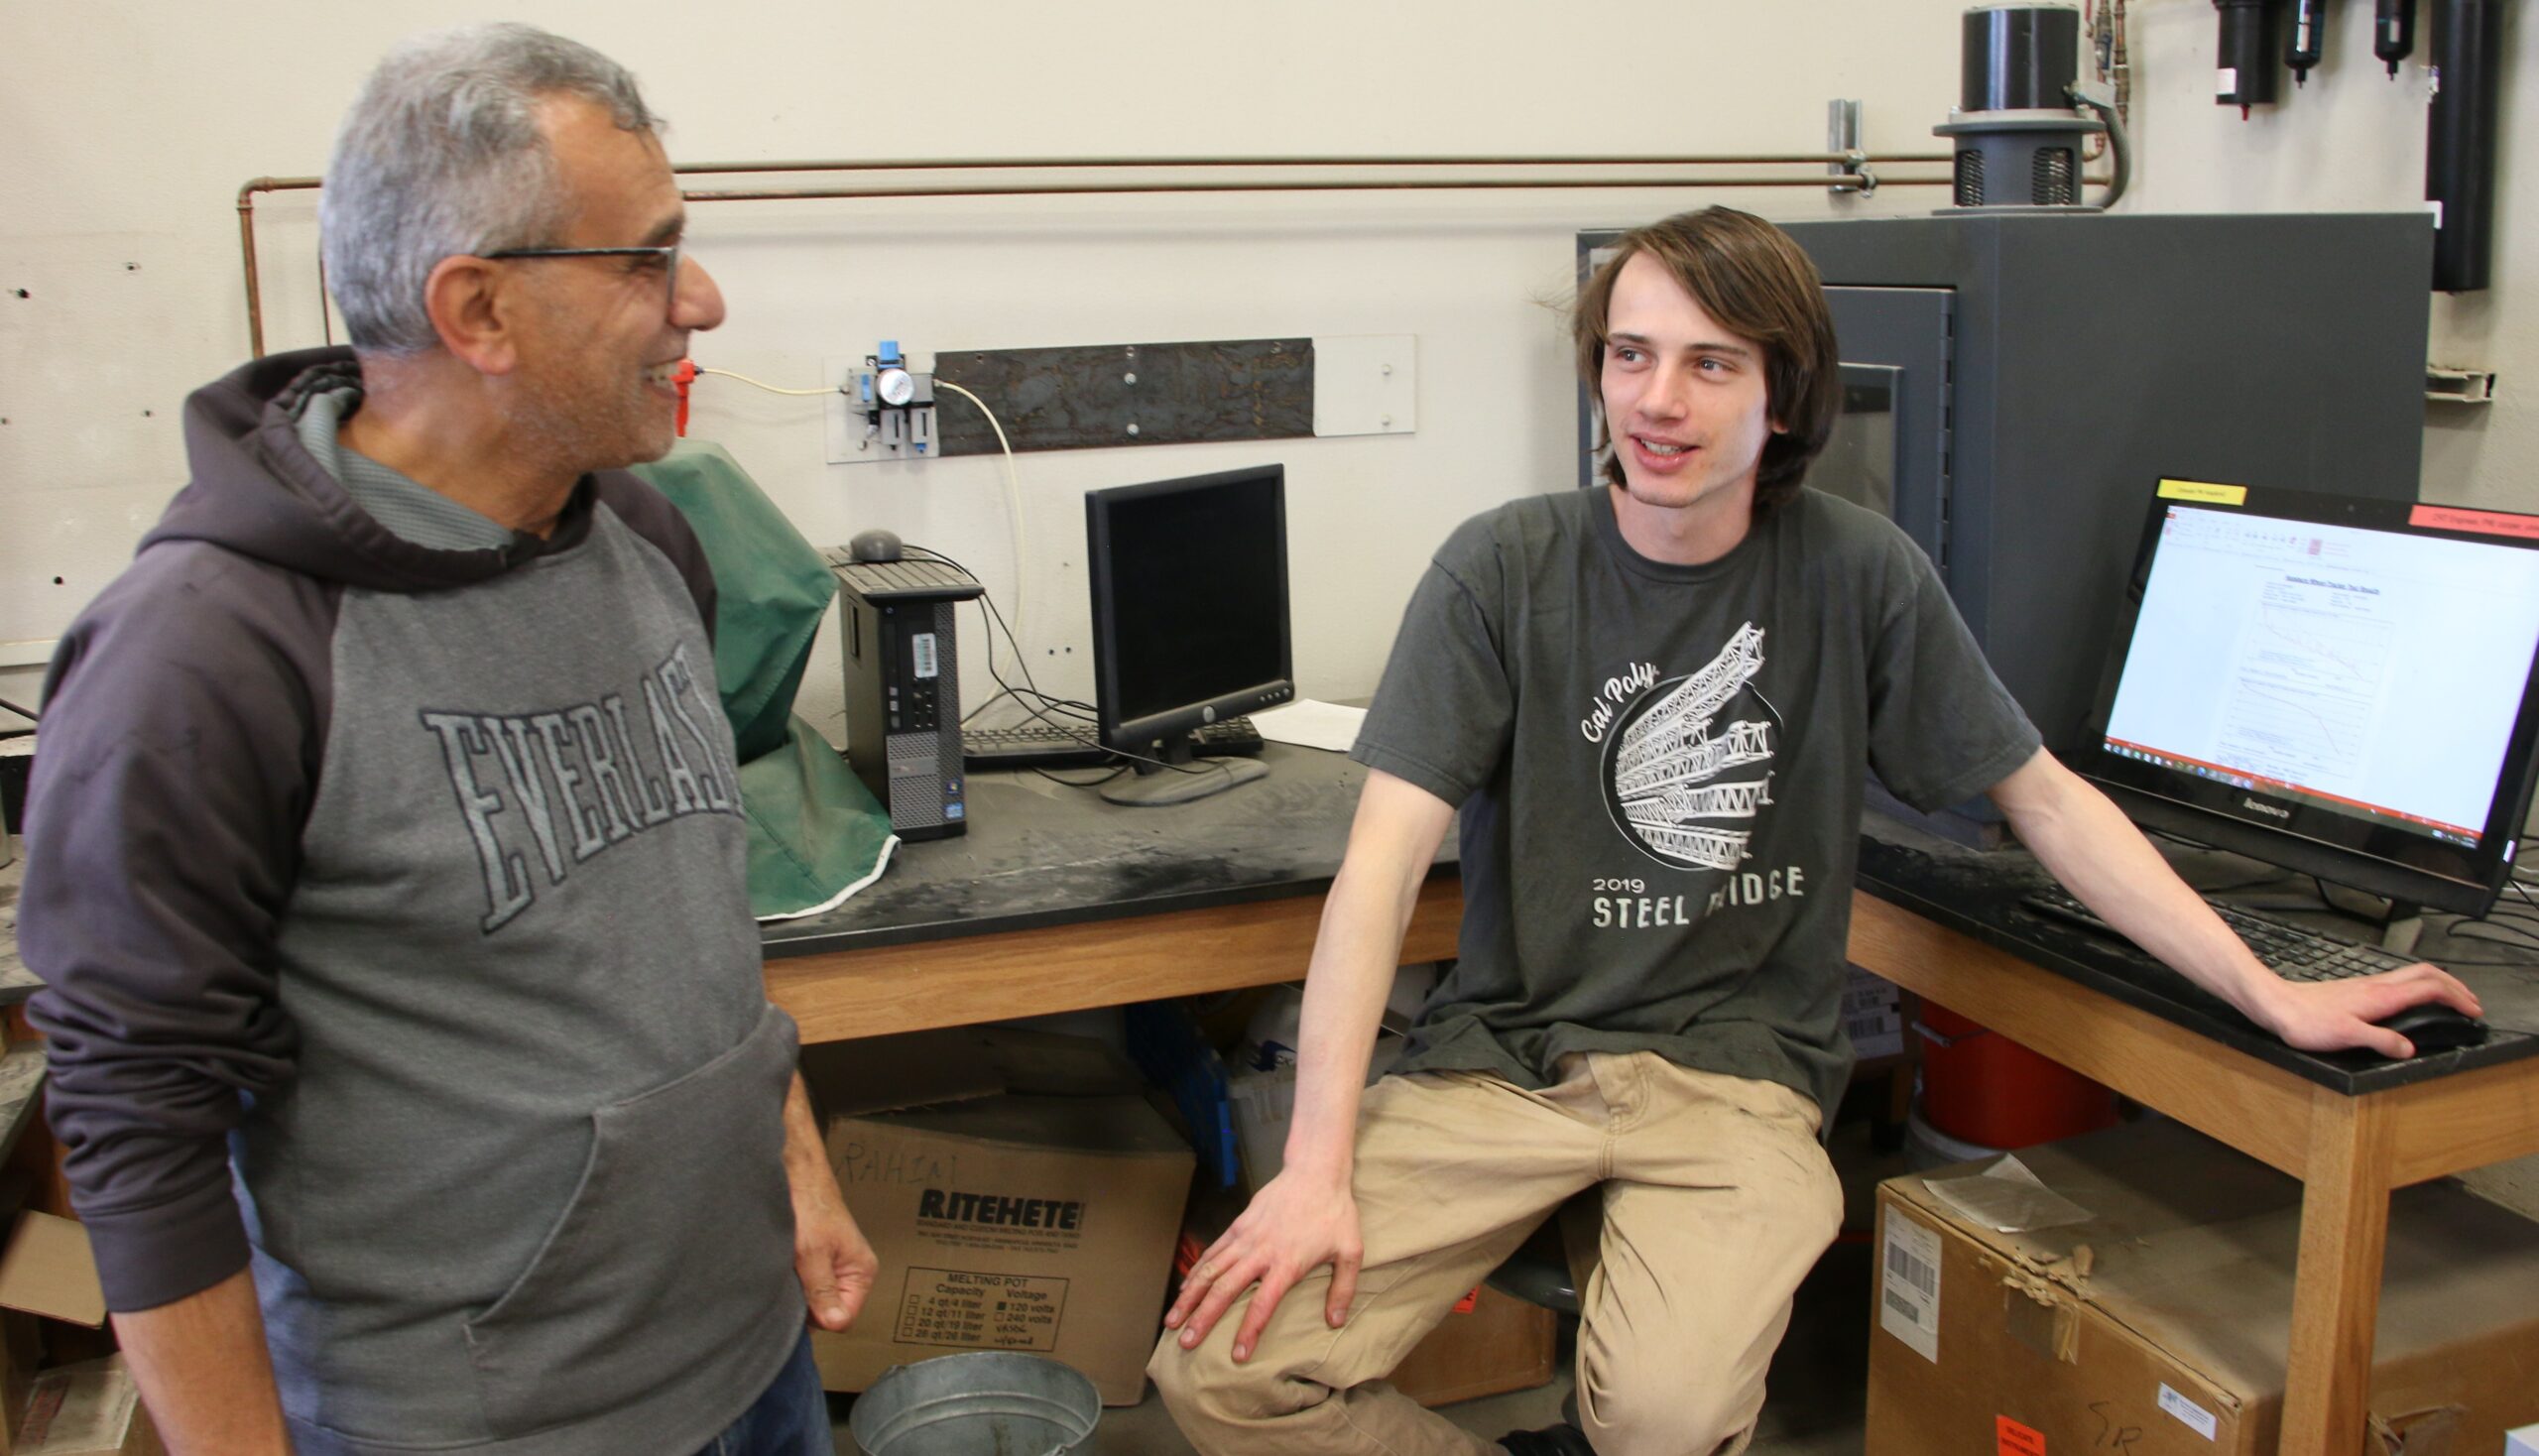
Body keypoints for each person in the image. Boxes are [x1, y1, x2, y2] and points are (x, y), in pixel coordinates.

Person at [1147, 206, 2481, 1456]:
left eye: (1711, 364)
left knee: (1663, 1421)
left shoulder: (1858, 572)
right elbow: (1376, 883)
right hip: (1506, 1065)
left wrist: (2269, 992)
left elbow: (2047, 802)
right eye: (1631, 355)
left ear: (1783, 395)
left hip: (1735, 1083)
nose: (1659, 400)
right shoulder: (1504, 568)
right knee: (1218, 1376)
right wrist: (1313, 1172)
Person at [19, 25, 873, 1456]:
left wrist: (795, 1166)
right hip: (472, 1427)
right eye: (647, 260)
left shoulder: (650, 537)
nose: (701, 301)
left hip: (752, 1361)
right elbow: (135, 1129)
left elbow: (690, 923)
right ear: (477, 309)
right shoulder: (210, 654)